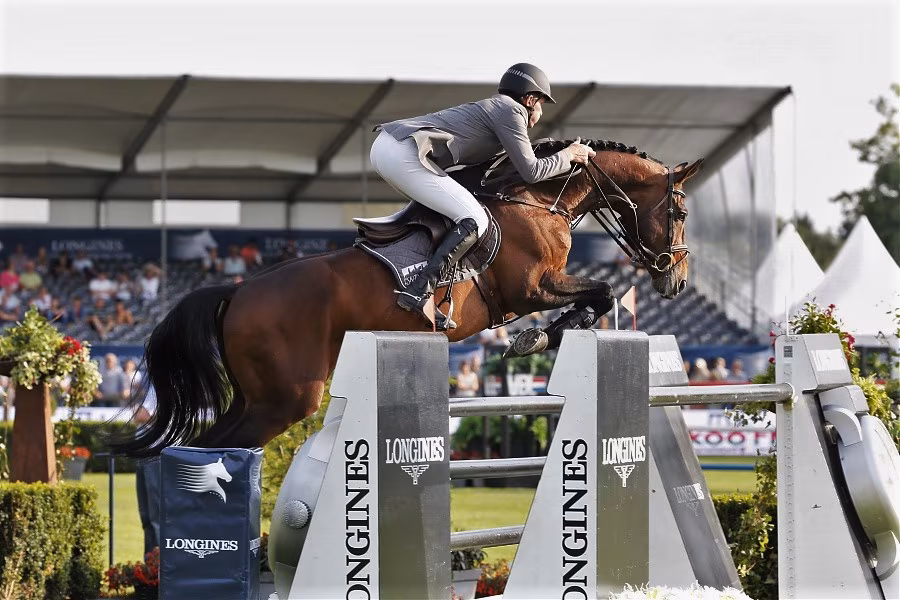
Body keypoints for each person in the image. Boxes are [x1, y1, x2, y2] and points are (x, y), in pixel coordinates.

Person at [369, 63, 596, 329]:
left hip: (392, 147)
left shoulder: (498, 110)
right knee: (475, 219)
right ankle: (420, 291)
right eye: (542, 103)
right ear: (530, 99)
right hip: (402, 152)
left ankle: (418, 282)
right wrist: (569, 155)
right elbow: (532, 172)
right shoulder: (511, 110)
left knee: (453, 211)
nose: (541, 112)